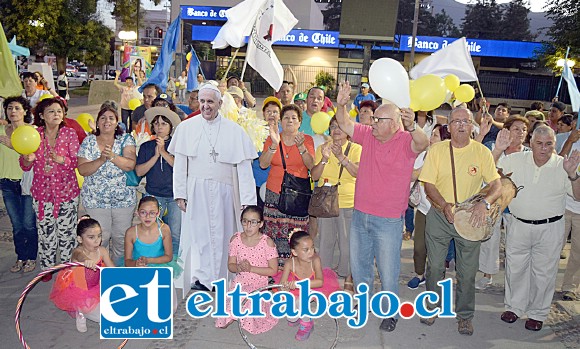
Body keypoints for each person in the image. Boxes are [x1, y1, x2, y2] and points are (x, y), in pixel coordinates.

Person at [334, 81, 429, 332]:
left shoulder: (406, 141)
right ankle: (363, 304)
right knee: (360, 266)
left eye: (378, 119)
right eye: (373, 118)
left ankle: (390, 312)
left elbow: (423, 143)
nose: (373, 122)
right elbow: (344, 123)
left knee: (388, 271)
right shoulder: (368, 135)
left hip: (388, 221)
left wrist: (413, 126)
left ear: (394, 123)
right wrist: (341, 103)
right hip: (361, 215)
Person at [419, 107, 502, 335]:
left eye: (465, 121)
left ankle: (465, 316)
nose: (461, 125)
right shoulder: (436, 150)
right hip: (439, 215)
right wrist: (444, 205)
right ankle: (432, 307)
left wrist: (483, 204)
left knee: (467, 271)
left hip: (470, 218)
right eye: (456, 121)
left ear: (472, 126)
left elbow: (496, 185)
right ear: (449, 127)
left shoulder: (482, 152)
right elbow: (428, 185)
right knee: (435, 266)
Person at [169, 83, 257, 293]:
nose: (206, 106)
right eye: (202, 101)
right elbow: (180, 163)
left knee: (225, 233)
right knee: (198, 234)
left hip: (224, 192)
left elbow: (244, 168)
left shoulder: (234, 130)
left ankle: (223, 278)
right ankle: (200, 277)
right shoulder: (186, 128)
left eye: (210, 102)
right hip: (195, 190)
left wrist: (247, 200)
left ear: (219, 103)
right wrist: (180, 193)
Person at [498, 126, 580, 331]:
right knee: (515, 268)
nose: (544, 149)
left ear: (555, 144)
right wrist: (498, 150)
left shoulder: (564, 164)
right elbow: (489, 172)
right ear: (530, 143)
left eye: (549, 144)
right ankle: (514, 307)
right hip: (518, 224)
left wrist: (573, 175)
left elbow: (578, 196)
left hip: (550, 228)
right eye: (539, 143)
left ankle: (537, 313)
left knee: (544, 272)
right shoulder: (515, 160)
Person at [19, 98, 80, 274]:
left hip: (66, 193)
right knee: (46, 235)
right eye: (51, 111)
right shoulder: (34, 134)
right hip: (42, 194)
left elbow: (77, 161)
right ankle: (47, 269)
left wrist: (62, 160)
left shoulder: (69, 133)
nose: (56, 114)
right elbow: (24, 165)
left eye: (59, 111)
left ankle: (68, 270)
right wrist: (27, 159)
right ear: (41, 115)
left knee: (67, 235)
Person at [77, 105, 137, 264]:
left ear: (117, 122)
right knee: (98, 239)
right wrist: (101, 159)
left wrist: (112, 156)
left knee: (121, 239)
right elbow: (83, 169)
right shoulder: (89, 141)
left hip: (123, 200)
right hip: (95, 200)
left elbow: (130, 165)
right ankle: (97, 273)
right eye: (103, 118)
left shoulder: (126, 139)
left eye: (111, 118)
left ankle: (117, 273)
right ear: (97, 123)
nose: (107, 121)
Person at [475, 116, 530, 290]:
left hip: (518, 206)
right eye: (516, 128)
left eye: (524, 129)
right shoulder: (493, 146)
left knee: (515, 244)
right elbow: (484, 171)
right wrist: (499, 149)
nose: (520, 132)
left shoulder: (529, 153)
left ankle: (513, 281)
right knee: (490, 240)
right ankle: (487, 274)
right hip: (494, 202)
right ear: (505, 130)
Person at [310, 116, 361, 293]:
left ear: (348, 130)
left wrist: (342, 157)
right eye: (332, 127)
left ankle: (347, 276)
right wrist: (324, 159)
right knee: (325, 243)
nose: (336, 130)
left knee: (347, 246)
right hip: (325, 202)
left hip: (347, 202)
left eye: (340, 127)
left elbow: (358, 173)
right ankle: (324, 279)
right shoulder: (322, 148)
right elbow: (315, 176)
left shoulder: (356, 149)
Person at [259, 104, 315, 267]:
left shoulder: (307, 139)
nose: (290, 121)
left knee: (296, 232)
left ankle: (296, 268)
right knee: (273, 232)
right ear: (281, 121)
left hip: (298, 194)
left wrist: (301, 147)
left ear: (299, 122)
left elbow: (311, 165)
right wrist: (274, 145)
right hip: (274, 192)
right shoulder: (273, 137)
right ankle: (273, 268)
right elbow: (263, 164)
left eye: (294, 118)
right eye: (286, 118)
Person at [215, 206, 279, 333]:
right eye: (245, 221)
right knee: (228, 311)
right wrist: (239, 267)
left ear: (261, 224)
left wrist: (251, 268)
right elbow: (231, 265)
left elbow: (273, 270)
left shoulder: (267, 243)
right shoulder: (236, 239)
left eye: (253, 222)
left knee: (248, 303)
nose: (249, 226)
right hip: (240, 282)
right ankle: (234, 314)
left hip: (258, 284)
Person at [49, 216, 114, 332]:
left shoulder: (102, 251)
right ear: (80, 239)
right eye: (91, 237)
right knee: (102, 316)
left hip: (98, 286)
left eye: (99, 236)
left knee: (117, 308)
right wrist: (85, 260)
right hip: (81, 291)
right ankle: (80, 312)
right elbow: (79, 257)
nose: (97, 241)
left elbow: (113, 270)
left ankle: (97, 313)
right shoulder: (78, 252)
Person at [407, 124, 451, 289]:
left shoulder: (451, 159)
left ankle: (438, 279)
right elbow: (411, 176)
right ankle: (419, 274)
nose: (431, 138)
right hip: (424, 209)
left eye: (435, 135)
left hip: (442, 211)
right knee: (419, 247)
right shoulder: (424, 155)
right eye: (431, 134)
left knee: (437, 250)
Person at [275, 230, 340, 341]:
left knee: (301, 301)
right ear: (294, 252)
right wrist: (285, 288)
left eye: (312, 248)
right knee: (291, 317)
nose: (311, 252)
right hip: (296, 289)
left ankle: (307, 323)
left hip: (313, 287)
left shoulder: (315, 260)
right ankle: (297, 316)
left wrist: (299, 284)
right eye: (306, 250)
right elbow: (282, 284)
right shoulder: (290, 263)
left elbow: (320, 282)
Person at [136, 107, 181, 253]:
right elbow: (139, 171)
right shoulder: (146, 146)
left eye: (164, 124)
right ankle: (152, 260)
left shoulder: (178, 145)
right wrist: (155, 156)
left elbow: (180, 167)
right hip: (153, 194)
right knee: (151, 232)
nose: (160, 127)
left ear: (170, 127)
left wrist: (163, 152)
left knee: (175, 233)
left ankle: (173, 266)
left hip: (175, 196)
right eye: (156, 124)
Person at [1, 96, 38, 273]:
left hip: (27, 184)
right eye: (9, 108)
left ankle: (31, 257)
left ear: (25, 111)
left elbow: (34, 155)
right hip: (7, 183)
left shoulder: (32, 131)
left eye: (17, 108)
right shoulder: (1, 130)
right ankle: (21, 256)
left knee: (28, 224)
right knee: (16, 225)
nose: (13, 111)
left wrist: (12, 145)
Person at [252, 97, 282, 208]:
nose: (272, 114)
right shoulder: (255, 130)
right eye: (268, 111)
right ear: (263, 113)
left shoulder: (285, 132)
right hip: (258, 180)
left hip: (277, 183)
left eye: (275, 112)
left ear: (279, 115)